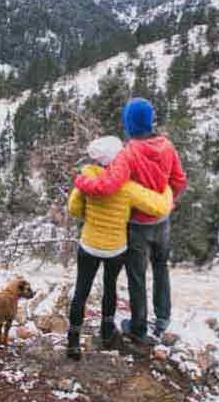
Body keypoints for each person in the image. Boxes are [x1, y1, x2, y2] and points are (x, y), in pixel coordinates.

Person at [73, 98, 188, 346]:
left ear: (129, 124)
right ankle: (163, 318)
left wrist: (81, 182)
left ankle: (137, 328)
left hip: (137, 224)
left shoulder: (128, 153)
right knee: (161, 267)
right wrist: (168, 200)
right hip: (162, 219)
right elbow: (179, 180)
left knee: (137, 275)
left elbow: (108, 185)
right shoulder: (167, 146)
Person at [65, 136, 173, 361]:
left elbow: (73, 208)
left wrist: (90, 216)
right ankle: (106, 333)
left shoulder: (86, 180)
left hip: (89, 244)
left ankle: (73, 342)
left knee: (81, 292)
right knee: (110, 287)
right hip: (115, 248)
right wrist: (168, 190)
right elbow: (159, 206)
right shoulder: (127, 187)